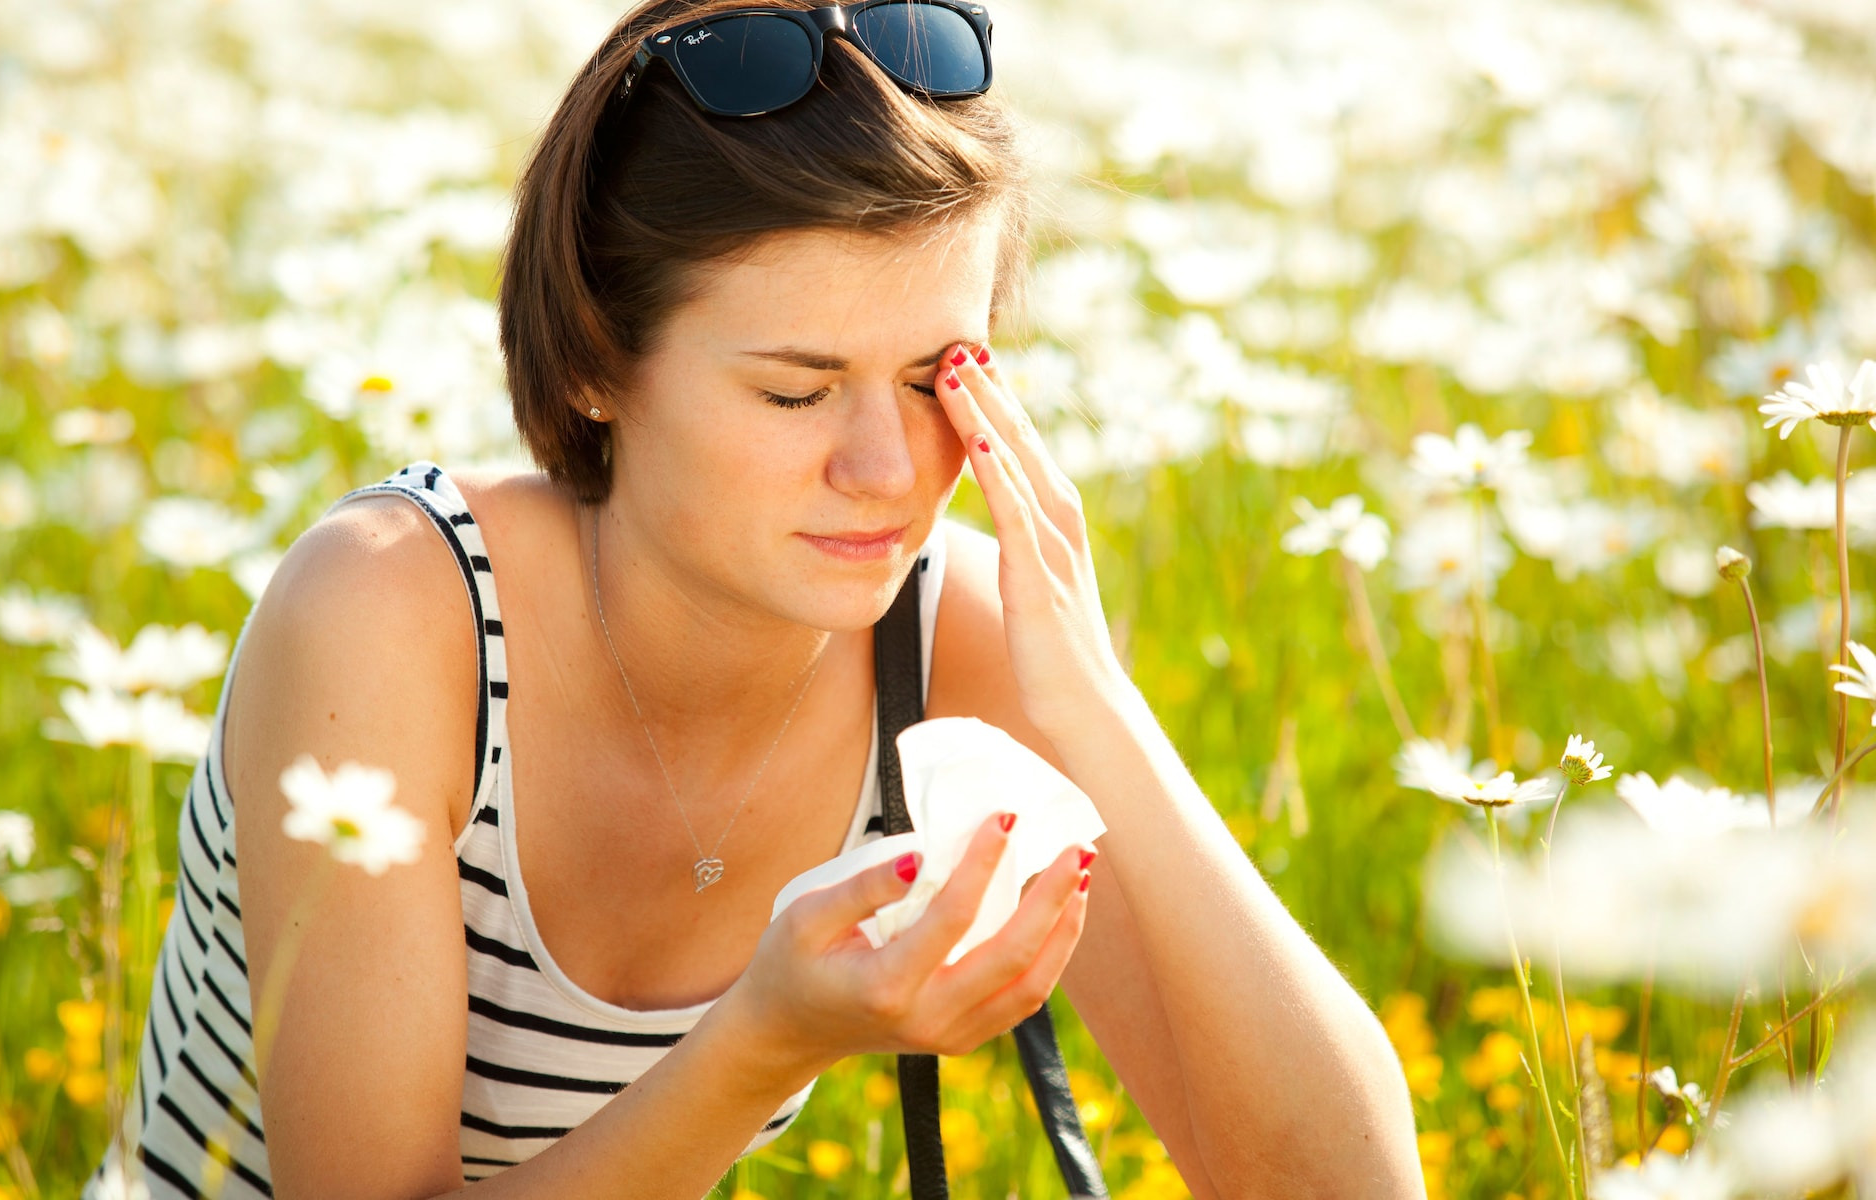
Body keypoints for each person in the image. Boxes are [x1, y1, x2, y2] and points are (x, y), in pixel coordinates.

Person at [85, 1, 1425, 1195]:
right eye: (794, 390)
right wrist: (761, 1045)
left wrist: (1094, 707)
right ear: (601, 361)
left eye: (933, 376)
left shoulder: (948, 636)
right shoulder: (391, 611)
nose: (887, 470)